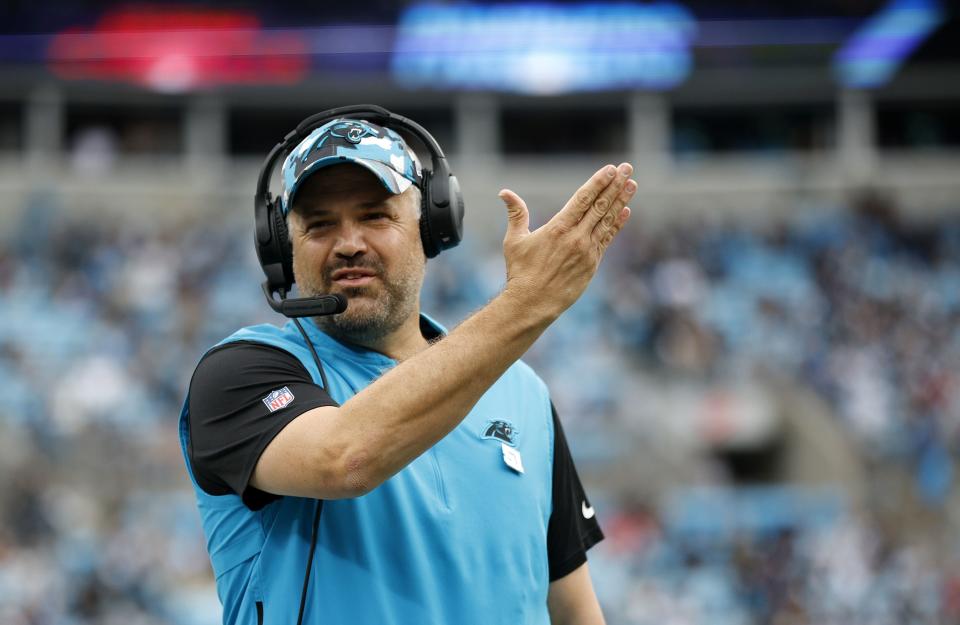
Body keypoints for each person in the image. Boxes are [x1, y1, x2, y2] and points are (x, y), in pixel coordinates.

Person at [178, 114, 636, 625]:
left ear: (430, 229)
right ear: (282, 248)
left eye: (375, 215)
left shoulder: (521, 392)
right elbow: (345, 459)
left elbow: (574, 610)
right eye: (320, 223)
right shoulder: (238, 373)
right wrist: (528, 303)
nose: (348, 242)